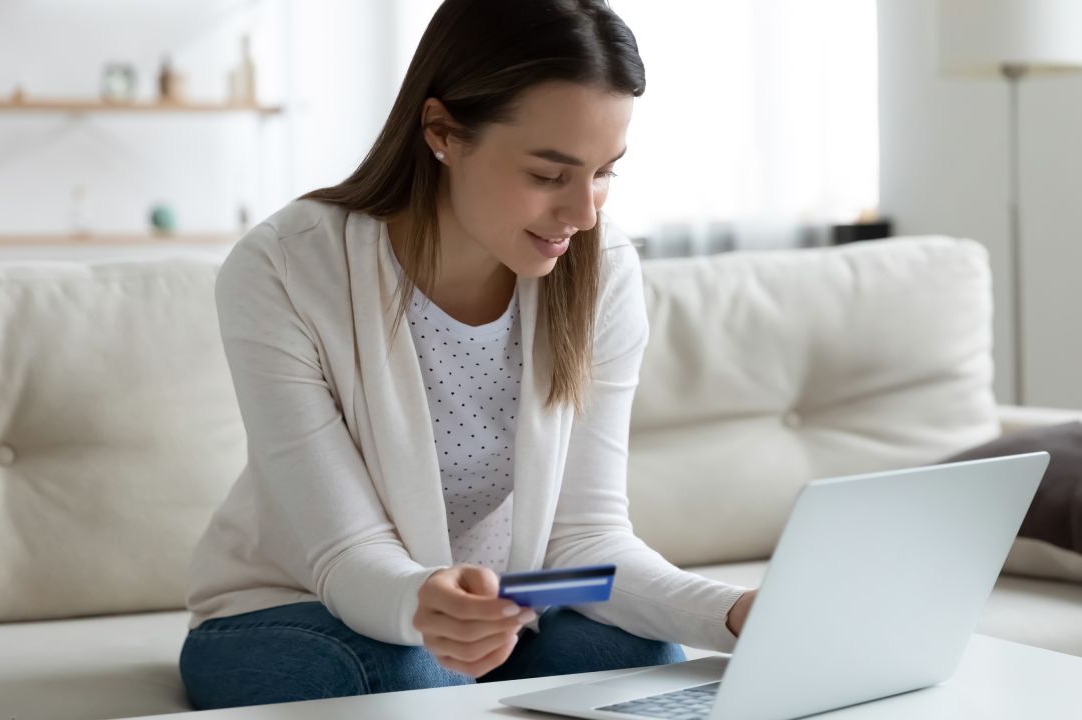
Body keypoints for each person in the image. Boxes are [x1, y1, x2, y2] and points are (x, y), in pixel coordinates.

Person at [179, 0, 756, 710]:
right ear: (443, 132)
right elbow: (344, 553)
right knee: (405, 675)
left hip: (500, 617)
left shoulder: (602, 272)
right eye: (550, 174)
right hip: (291, 610)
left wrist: (732, 612)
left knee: (639, 656)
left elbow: (588, 541)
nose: (584, 214)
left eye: (605, 173)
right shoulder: (287, 267)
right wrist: (431, 607)